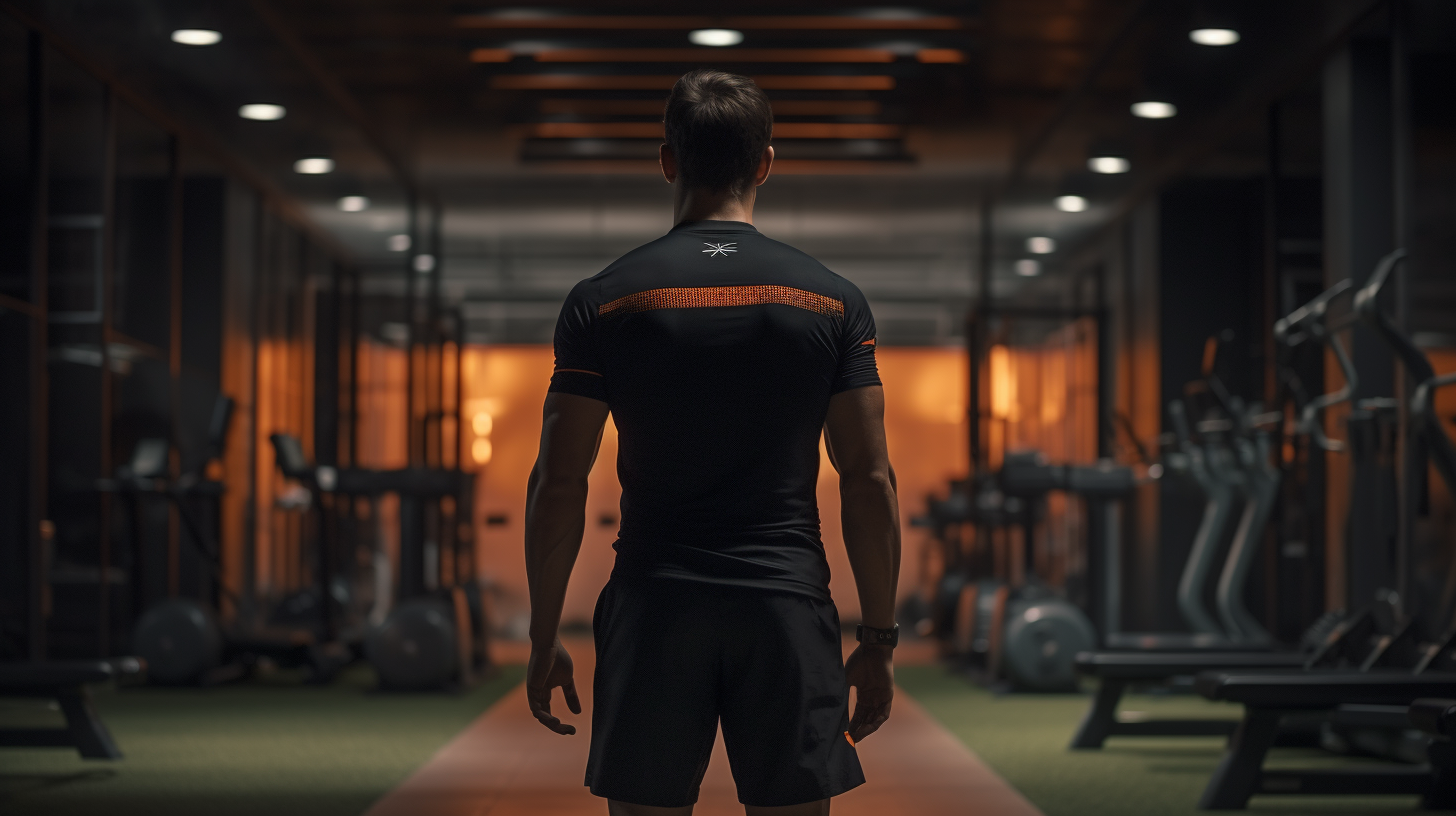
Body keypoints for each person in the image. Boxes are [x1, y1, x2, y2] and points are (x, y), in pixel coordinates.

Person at [524, 68, 901, 816]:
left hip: (655, 604)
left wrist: (543, 637)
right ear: (765, 163)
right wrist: (879, 640)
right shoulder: (830, 299)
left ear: (667, 160)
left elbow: (559, 481)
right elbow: (869, 478)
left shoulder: (604, 299)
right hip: (786, 608)